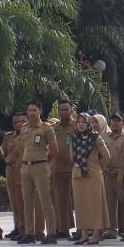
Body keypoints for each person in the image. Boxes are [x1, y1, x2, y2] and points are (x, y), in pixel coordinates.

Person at [16, 101, 59, 244]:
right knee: (27, 201)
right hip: (25, 166)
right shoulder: (24, 128)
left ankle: (51, 232)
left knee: (45, 201)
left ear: (40, 111)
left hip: (40, 166)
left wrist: (46, 162)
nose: (31, 113)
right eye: (29, 110)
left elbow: (54, 149)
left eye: (34, 110)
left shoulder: (47, 128)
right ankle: (29, 233)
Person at [67, 113, 110, 244]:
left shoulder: (95, 137)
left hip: (93, 175)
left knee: (95, 205)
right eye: (78, 122)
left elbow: (106, 156)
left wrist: (97, 168)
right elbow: (71, 157)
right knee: (80, 205)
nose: (80, 124)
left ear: (88, 124)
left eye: (83, 122)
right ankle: (84, 233)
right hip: (78, 175)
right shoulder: (74, 138)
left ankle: (96, 233)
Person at [50, 99, 78, 238]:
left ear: (71, 111)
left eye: (66, 110)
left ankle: (82, 229)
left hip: (74, 169)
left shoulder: (77, 126)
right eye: (61, 110)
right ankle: (63, 229)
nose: (63, 112)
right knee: (60, 201)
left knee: (78, 201)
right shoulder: (54, 128)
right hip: (58, 169)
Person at [1, 112, 26, 239]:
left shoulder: (28, 135)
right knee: (14, 200)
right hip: (11, 169)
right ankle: (17, 226)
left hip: (24, 168)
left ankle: (25, 228)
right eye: (16, 122)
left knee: (23, 200)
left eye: (22, 121)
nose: (19, 124)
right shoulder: (8, 136)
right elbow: (3, 153)